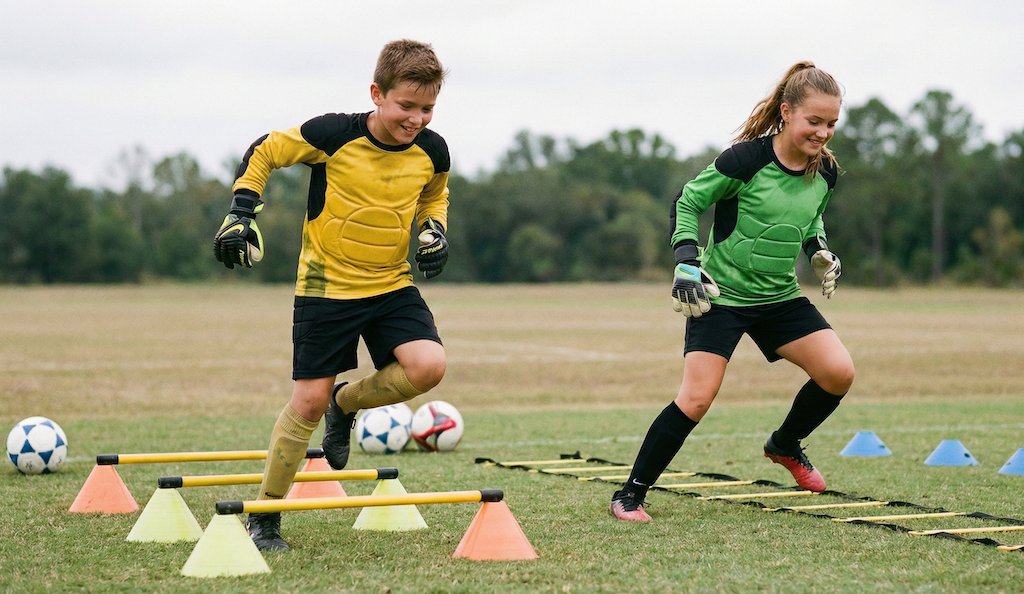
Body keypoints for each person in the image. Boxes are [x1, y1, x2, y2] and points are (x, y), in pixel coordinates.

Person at [213, 39, 452, 549]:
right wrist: (241, 211)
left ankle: (346, 404)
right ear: (377, 93)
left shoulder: (433, 149)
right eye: (405, 106)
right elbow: (267, 148)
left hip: (391, 284)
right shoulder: (334, 134)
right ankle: (266, 517)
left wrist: (434, 230)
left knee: (429, 365)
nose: (416, 118)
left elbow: (436, 193)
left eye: (427, 108)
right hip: (327, 287)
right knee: (307, 399)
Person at [610, 62, 855, 521]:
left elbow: (812, 214)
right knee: (696, 399)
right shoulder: (743, 160)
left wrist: (818, 248)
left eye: (831, 124)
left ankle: (784, 446)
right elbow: (688, 200)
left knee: (838, 372)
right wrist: (686, 261)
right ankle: (630, 492)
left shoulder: (826, 172)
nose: (823, 133)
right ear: (787, 112)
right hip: (720, 297)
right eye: (814, 121)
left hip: (780, 298)